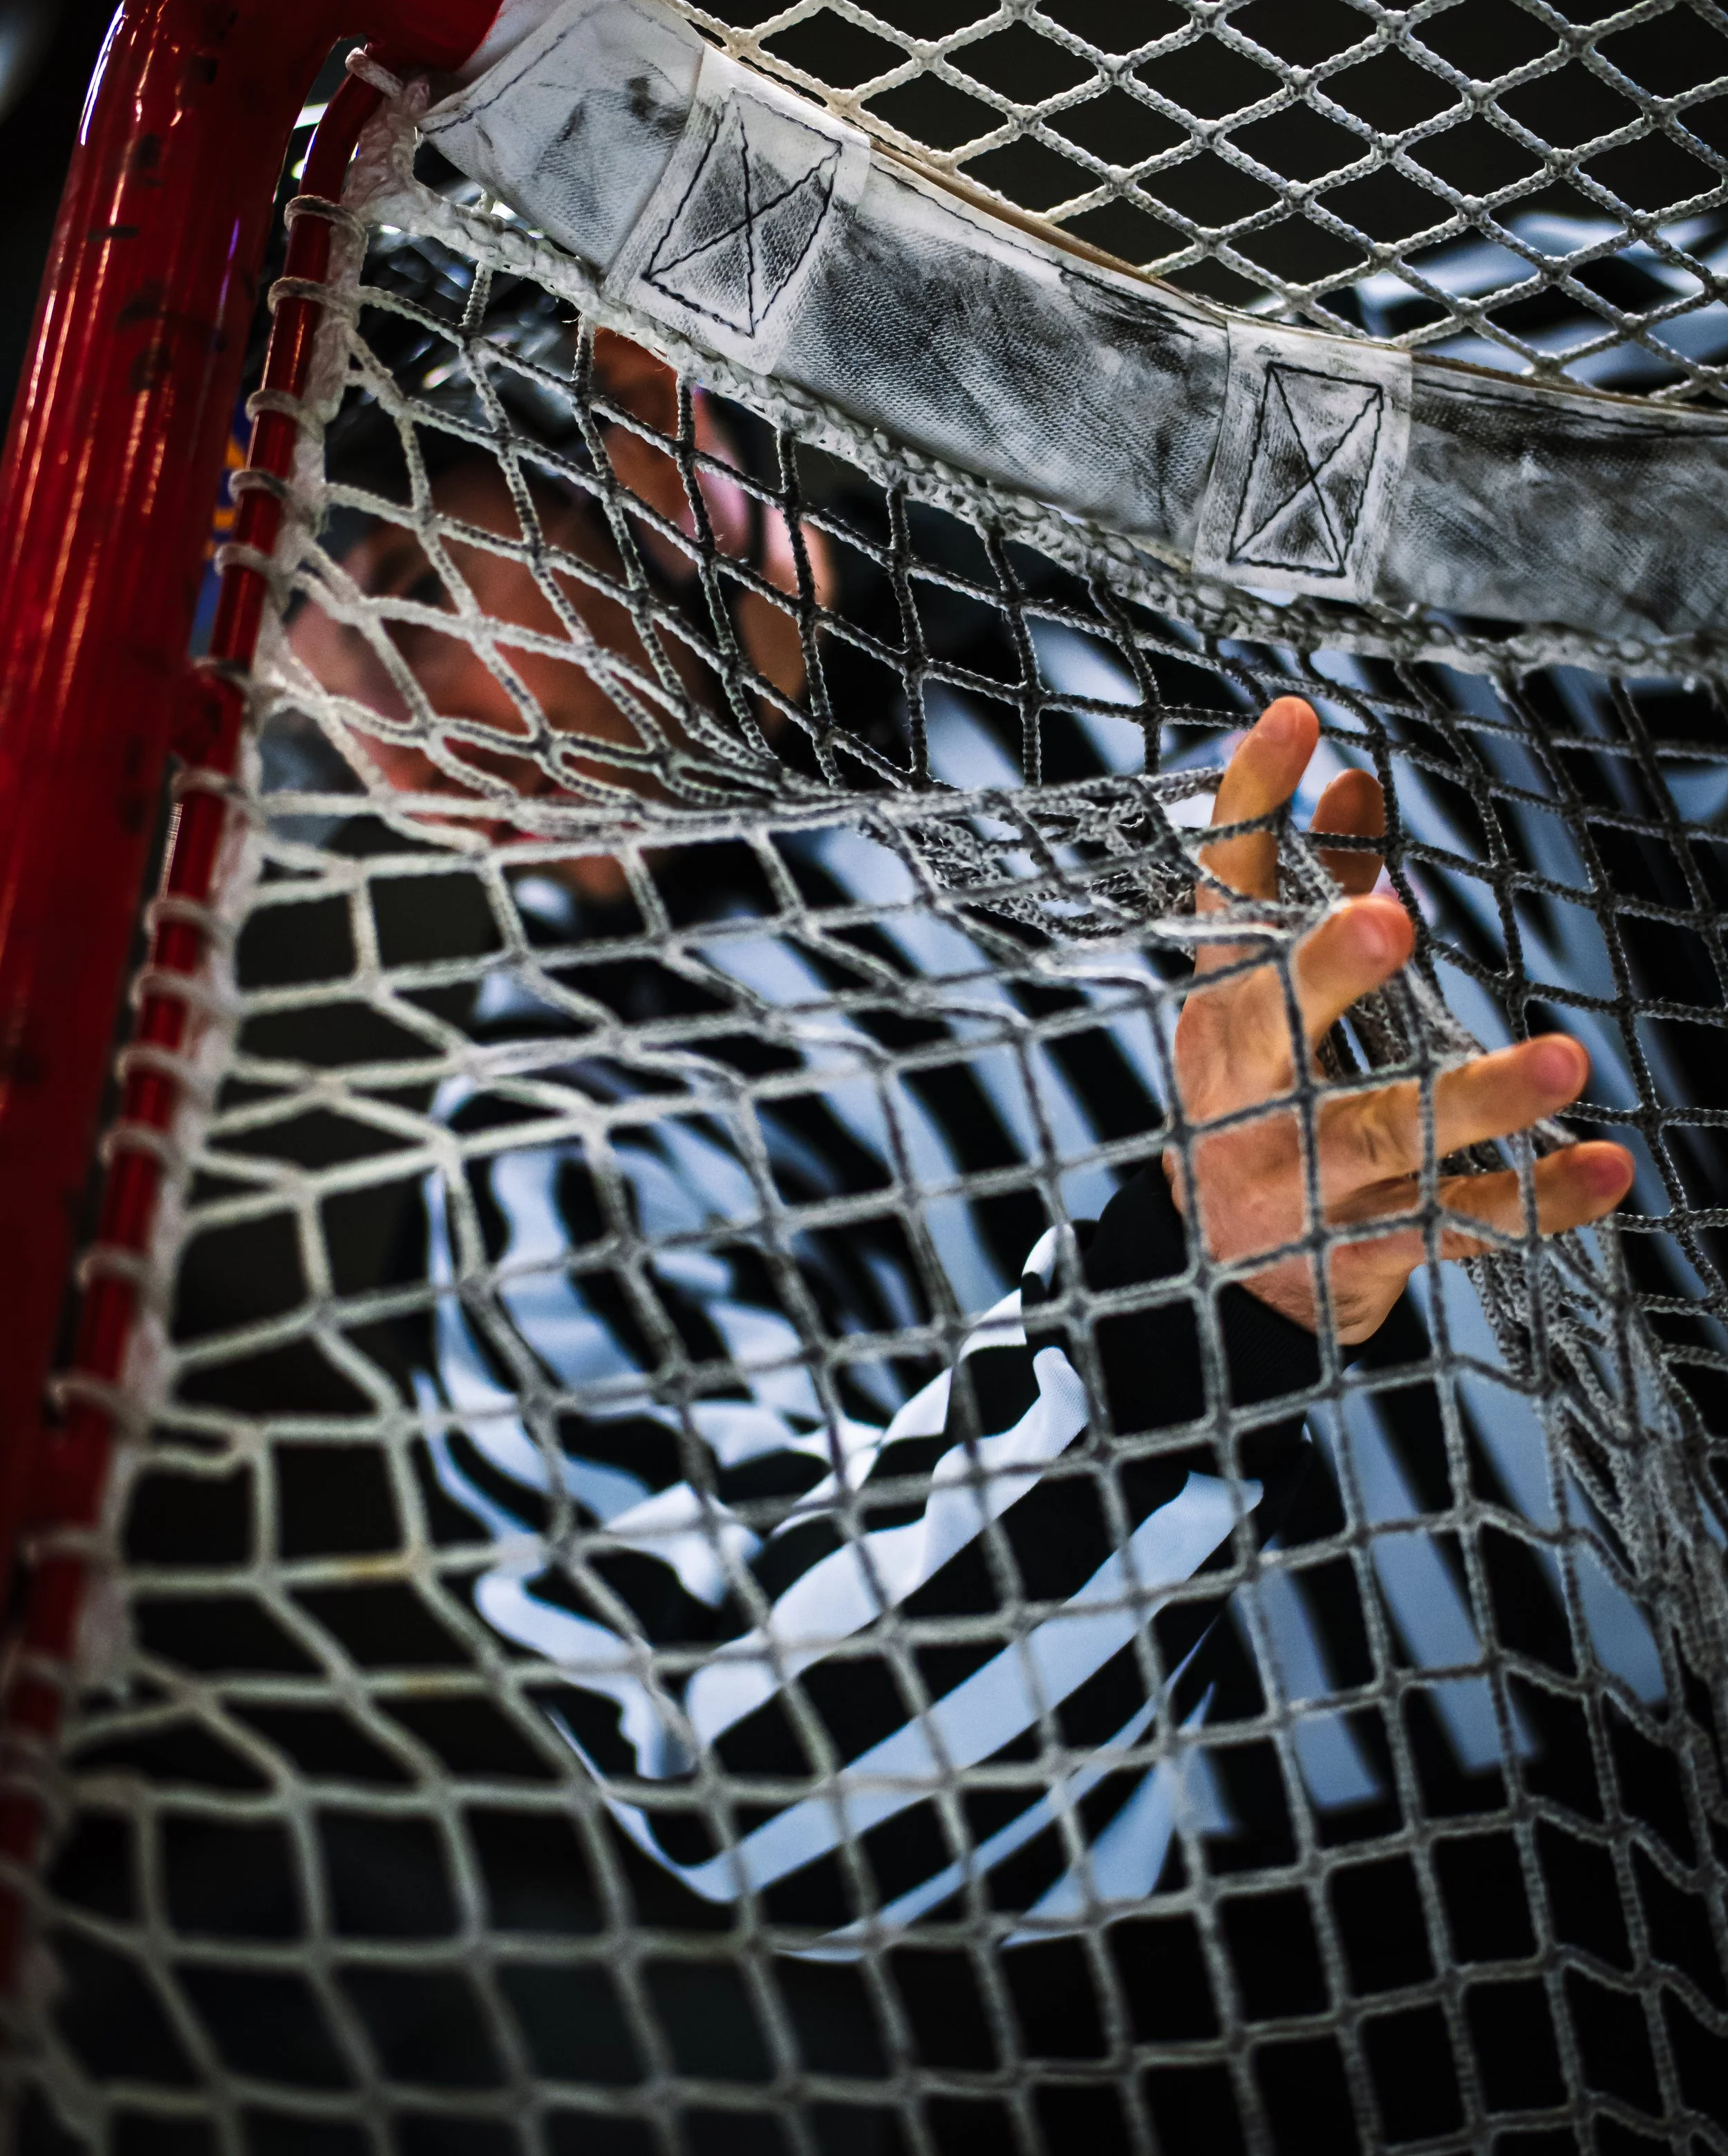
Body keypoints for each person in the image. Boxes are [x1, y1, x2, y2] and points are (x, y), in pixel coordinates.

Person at [284, 327, 1633, 1951]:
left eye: (406, 601)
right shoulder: (547, 1147)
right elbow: (760, 1810)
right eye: (319, 726)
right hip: (1391, 1959)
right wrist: (1198, 1305)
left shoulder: (1216, 523)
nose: (410, 763)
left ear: (634, 410)